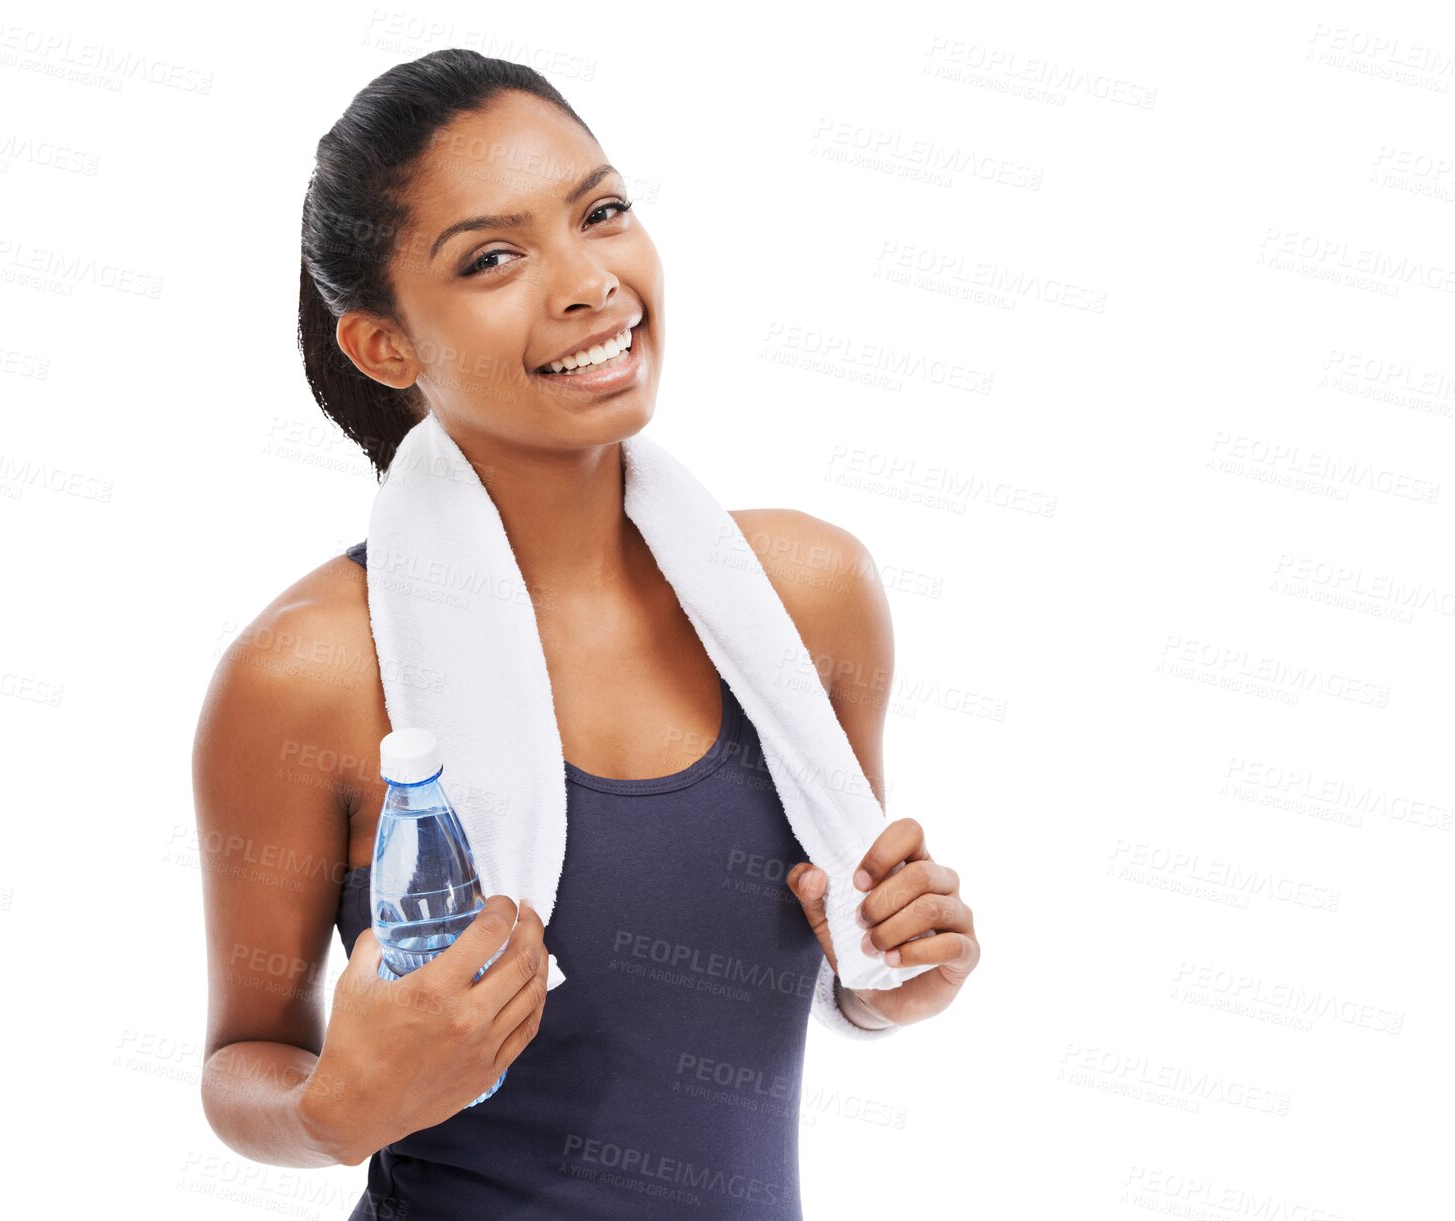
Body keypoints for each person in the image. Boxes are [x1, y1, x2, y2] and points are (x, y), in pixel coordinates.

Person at [193, 48, 980, 1219]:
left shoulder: (806, 597)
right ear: (384, 346)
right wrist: (332, 1116)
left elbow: (844, 951)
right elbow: (241, 1060)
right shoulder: (309, 672)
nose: (587, 284)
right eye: (493, 258)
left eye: (600, 212)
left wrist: (894, 978)